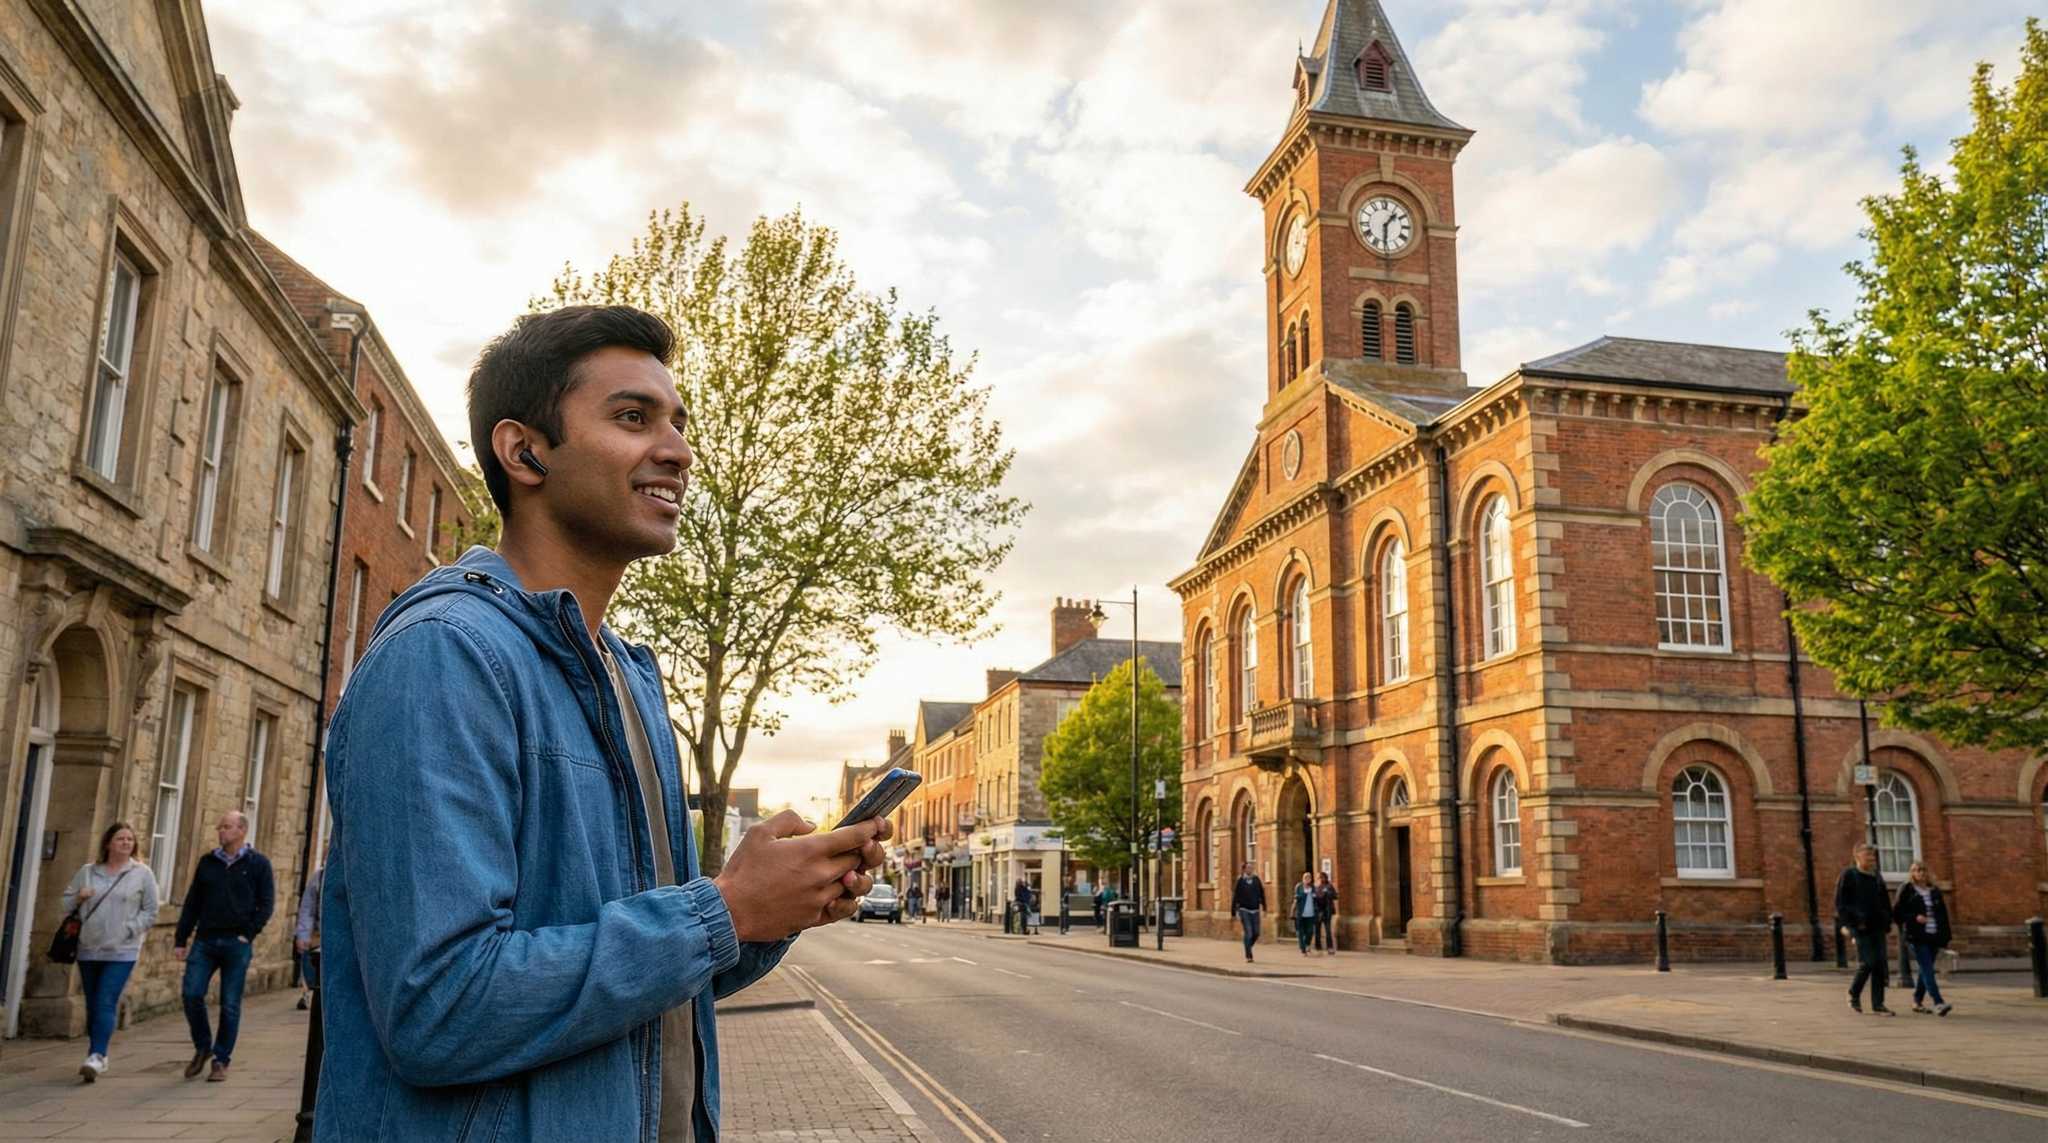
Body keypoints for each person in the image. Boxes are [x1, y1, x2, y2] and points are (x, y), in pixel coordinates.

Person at [318, 306, 889, 1142]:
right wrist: (720, 909)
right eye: (633, 417)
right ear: (525, 452)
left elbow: (621, 984)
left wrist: (770, 911)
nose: (678, 451)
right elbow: (440, 1005)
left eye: (679, 423)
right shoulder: (444, 657)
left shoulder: (628, 678)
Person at [174, 810, 275, 1082]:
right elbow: (193, 902)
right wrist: (181, 939)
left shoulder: (258, 864)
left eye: (227, 826)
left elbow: (266, 904)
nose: (221, 831)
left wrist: (249, 933)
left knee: (230, 1004)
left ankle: (221, 1059)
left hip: (236, 943)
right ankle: (203, 1046)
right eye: (220, 826)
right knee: (191, 993)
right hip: (205, 939)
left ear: (242, 831)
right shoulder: (208, 862)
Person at [61, 821, 159, 1082]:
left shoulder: (142, 874)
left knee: (105, 998)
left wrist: (129, 929)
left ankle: (96, 1055)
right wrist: (79, 897)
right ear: (108, 843)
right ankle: (99, 1055)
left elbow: (151, 910)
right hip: (89, 947)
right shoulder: (88, 872)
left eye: (130, 839)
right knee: (94, 1003)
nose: (126, 843)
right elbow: (65, 902)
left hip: (122, 950)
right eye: (120, 839)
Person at [1833, 842, 1894, 1015]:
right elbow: (1840, 903)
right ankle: (1853, 993)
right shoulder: (1849, 875)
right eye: (1868, 855)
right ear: (1857, 856)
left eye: (1873, 856)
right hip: (1860, 927)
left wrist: (1887, 920)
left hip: (1878, 926)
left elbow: (1884, 901)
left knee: (1880, 965)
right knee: (1867, 963)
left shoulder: (1876, 876)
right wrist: (1849, 924)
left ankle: (1878, 1004)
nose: (1872, 859)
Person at [1893, 860, 1953, 1016]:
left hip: (1934, 935)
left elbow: (1943, 916)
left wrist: (1945, 938)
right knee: (1927, 969)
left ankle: (1917, 1000)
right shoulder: (1907, 889)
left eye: (1922, 870)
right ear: (1912, 873)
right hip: (1916, 936)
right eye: (1916, 870)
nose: (1920, 873)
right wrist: (1914, 917)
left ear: (1927, 872)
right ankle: (1938, 1002)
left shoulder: (1934, 891)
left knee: (1924, 970)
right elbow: (1897, 913)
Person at [294, 862, 324, 1010]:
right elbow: (308, 907)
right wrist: (303, 934)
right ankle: (305, 993)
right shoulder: (318, 877)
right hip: (319, 932)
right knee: (309, 960)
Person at [1232, 862, 1266, 963]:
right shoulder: (1240, 881)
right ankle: (1249, 955)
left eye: (1252, 868)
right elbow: (1235, 896)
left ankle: (1247, 947)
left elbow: (1262, 893)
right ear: (1244, 869)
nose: (1251, 869)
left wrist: (1264, 907)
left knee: (1256, 933)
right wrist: (1233, 912)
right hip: (1244, 909)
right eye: (1249, 868)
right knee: (1249, 932)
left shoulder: (1256, 880)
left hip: (1255, 910)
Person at [1314, 872, 1338, 955]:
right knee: (1317, 930)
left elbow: (1335, 896)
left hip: (1327, 911)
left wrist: (1328, 892)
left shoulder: (1329, 886)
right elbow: (1313, 899)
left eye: (1321, 877)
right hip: (1317, 911)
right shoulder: (1315, 887)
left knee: (1328, 931)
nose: (1320, 879)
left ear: (1325, 878)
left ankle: (1330, 948)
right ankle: (1318, 947)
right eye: (1318, 878)